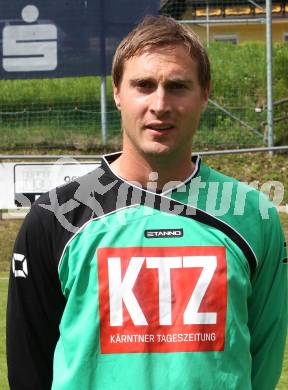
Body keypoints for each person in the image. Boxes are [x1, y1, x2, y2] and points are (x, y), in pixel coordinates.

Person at [7, 15, 287, 390]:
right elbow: (30, 366)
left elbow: (263, 361)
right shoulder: (55, 216)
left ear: (205, 93)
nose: (160, 104)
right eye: (143, 85)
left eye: (177, 86)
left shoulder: (253, 216)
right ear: (118, 92)